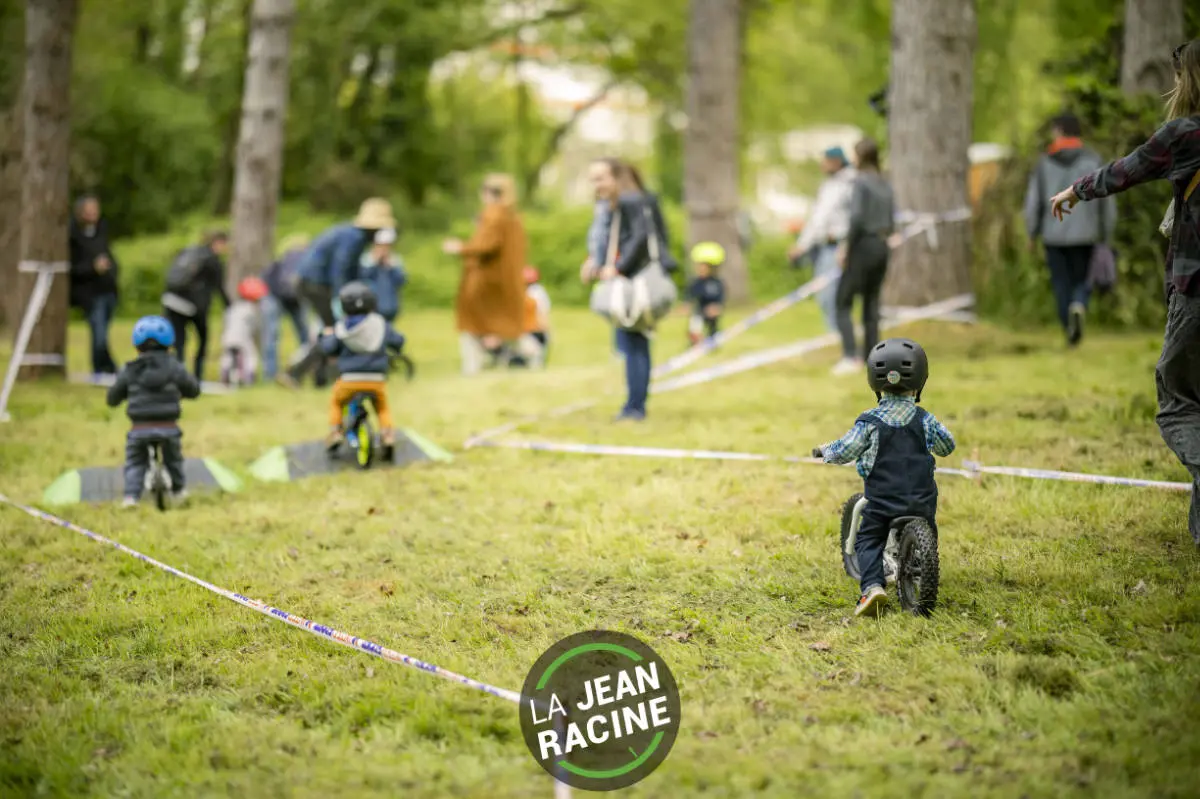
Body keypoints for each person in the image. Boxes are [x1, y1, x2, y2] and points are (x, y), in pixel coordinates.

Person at [1049, 39, 1200, 547]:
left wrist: (1075, 191)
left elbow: (1126, 170)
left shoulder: (1186, 134)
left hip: (1195, 285)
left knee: (1178, 403)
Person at [812, 338, 956, 617]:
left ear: (874, 382)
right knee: (927, 526)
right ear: (920, 381)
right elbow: (947, 446)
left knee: (869, 539)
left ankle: (872, 587)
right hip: (920, 499)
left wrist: (825, 452)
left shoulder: (869, 421)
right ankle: (921, 565)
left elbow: (845, 449)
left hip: (882, 500)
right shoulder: (925, 419)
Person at [584, 157, 677, 421]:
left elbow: (639, 239)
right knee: (633, 344)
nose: (596, 185)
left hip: (635, 284)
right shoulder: (632, 200)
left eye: (600, 178)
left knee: (635, 344)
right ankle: (634, 403)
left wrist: (617, 268)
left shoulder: (630, 201)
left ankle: (635, 407)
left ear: (616, 177)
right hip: (633, 280)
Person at [279, 197, 397, 387]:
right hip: (314, 284)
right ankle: (296, 373)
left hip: (312, 282)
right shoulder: (355, 237)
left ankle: (320, 378)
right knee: (335, 330)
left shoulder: (353, 235)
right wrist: (343, 299)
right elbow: (340, 270)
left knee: (333, 329)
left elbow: (353, 271)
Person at [1024, 112, 1118, 346]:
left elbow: (1033, 202)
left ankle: (1069, 328)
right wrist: (1106, 233)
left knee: (1060, 283)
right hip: (1086, 234)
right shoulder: (1093, 160)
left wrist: (1031, 233)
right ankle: (1079, 305)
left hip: (1053, 235)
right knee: (1083, 280)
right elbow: (1107, 200)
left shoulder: (1044, 162)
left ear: (1058, 131)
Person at [105, 315, 200, 508]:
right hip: (169, 427)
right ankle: (179, 491)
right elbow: (194, 390)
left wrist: (122, 396)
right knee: (174, 460)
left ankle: (131, 497)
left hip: (139, 428)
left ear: (136, 345)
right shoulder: (175, 367)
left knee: (136, 462)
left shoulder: (129, 370)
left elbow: (112, 398)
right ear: (169, 343)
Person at [445, 174, 528, 376]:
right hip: (505, 281)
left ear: (487, 193)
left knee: (472, 324)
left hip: (485, 280)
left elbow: (486, 245)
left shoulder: (495, 214)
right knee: (505, 325)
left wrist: (460, 248)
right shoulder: (513, 216)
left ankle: (472, 366)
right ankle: (529, 355)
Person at [832, 138, 895, 376]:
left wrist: (846, 247)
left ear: (859, 156)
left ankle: (850, 356)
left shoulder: (861, 182)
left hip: (862, 245)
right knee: (871, 303)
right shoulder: (885, 182)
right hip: (882, 245)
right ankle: (873, 357)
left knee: (843, 302)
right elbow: (891, 219)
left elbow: (856, 217)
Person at [319, 282, 406, 451]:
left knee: (336, 402)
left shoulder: (341, 328)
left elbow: (329, 348)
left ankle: (336, 432)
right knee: (382, 407)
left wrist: (324, 337)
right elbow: (398, 341)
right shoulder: (381, 324)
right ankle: (387, 435)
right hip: (376, 380)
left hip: (348, 381)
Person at [789, 147, 855, 332]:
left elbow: (822, 219)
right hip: (825, 247)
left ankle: (838, 337)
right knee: (827, 295)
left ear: (836, 161)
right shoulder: (830, 185)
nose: (822, 165)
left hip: (839, 247)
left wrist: (802, 246)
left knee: (830, 296)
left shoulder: (847, 184)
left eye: (825, 161)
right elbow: (817, 220)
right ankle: (835, 336)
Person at [161, 231, 231, 381]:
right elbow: (219, 287)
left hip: (171, 300)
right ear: (219, 243)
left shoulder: (189, 251)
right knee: (203, 339)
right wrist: (230, 306)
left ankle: (177, 376)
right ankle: (197, 377)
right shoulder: (213, 261)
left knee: (179, 342)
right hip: (193, 306)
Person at [68, 194, 120, 377]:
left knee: (102, 333)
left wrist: (112, 271)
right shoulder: (72, 235)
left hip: (108, 290)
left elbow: (109, 256)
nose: (93, 213)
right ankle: (105, 369)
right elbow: (71, 268)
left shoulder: (101, 230)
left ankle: (106, 369)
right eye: (89, 210)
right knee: (99, 335)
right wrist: (92, 268)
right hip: (89, 293)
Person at [260, 234, 312, 382]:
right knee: (303, 336)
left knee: (272, 336)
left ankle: (271, 376)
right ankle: (298, 373)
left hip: (282, 297)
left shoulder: (287, 255)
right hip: (283, 296)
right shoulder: (304, 259)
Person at [219, 277, 267, 386]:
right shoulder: (252, 310)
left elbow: (225, 320)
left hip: (228, 337)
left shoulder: (234, 307)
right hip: (243, 339)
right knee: (250, 356)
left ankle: (225, 374)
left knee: (228, 356)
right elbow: (256, 328)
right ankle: (249, 377)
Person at [358, 227, 407, 325]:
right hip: (372, 304)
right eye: (382, 245)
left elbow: (401, 281)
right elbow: (362, 278)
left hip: (391, 305)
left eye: (387, 246)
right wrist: (374, 262)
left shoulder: (395, 260)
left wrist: (391, 266)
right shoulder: (366, 259)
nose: (384, 249)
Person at [508, 266, 550, 369]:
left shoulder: (537, 293)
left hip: (532, 331)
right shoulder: (535, 293)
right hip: (521, 332)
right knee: (533, 352)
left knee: (535, 353)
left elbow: (543, 315)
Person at [687, 242, 727, 345]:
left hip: (712, 312)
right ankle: (696, 341)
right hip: (700, 311)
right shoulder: (696, 282)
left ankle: (713, 339)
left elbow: (721, 298)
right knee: (695, 323)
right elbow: (690, 296)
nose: (701, 269)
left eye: (705, 266)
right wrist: (686, 304)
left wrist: (717, 307)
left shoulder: (717, 283)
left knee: (713, 327)